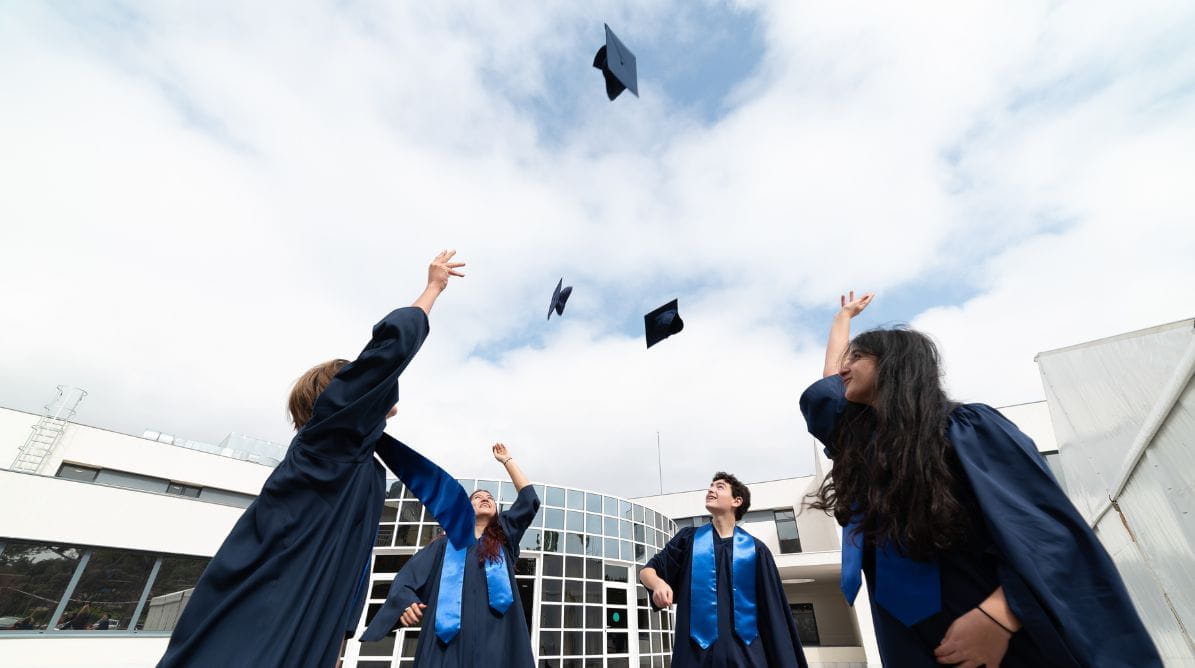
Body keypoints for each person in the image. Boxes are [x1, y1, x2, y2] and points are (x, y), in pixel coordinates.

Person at [800, 291, 1162, 667]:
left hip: (994, 619)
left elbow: (1044, 534)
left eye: (858, 357)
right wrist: (842, 318)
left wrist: (999, 617)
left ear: (894, 364)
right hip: (907, 636)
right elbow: (829, 388)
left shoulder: (966, 429)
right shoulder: (867, 450)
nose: (844, 368)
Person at [159, 251, 475, 668]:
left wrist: (338, 632)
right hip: (271, 605)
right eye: (359, 384)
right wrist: (433, 288)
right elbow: (386, 355)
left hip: (305, 608)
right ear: (341, 396)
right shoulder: (329, 441)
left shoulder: (352, 452)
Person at [361, 443, 540, 667]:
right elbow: (407, 580)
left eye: (490, 498)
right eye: (477, 497)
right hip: (446, 646)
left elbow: (529, 499)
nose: (485, 498)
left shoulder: (504, 539)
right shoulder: (443, 546)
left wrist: (507, 460)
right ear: (465, 507)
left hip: (498, 641)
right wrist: (407, 604)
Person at [639, 473, 808, 668]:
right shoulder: (688, 541)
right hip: (695, 657)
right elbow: (647, 572)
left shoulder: (756, 550)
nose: (711, 489)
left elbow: (773, 614)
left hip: (747, 657)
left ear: (737, 501)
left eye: (719, 487)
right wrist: (659, 583)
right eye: (710, 486)